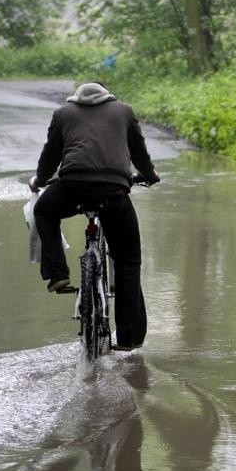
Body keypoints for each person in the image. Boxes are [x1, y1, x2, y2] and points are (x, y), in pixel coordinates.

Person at [28, 82, 160, 351]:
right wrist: (149, 175)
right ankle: (128, 339)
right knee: (128, 260)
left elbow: (49, 158)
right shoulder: (124, 111)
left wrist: (38, 181)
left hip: (72, 186)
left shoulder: (63, 113)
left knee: (43, 210)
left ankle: (57, 274)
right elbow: (139, 153)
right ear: (109, 95)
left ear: (75, 98)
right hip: (114, 190)